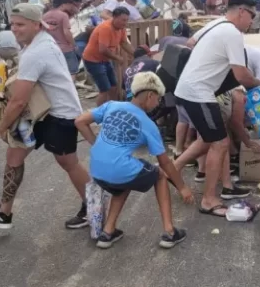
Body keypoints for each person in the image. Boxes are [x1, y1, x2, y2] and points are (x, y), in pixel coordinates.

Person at [0, 3, 91, 230]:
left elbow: (18, 100)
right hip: (40, 112)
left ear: (37, 25)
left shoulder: (36, 52)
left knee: (68, 162)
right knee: (14, 154)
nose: (15, 29)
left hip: (60, 113)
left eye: (21, 24)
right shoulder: (38, 43)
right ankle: (4, 212)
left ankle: (94, 207)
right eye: (12, 24)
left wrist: (3, 126)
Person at [76, 72, 193, 249]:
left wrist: (96, 144)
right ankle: (170, 232)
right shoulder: (148, 124)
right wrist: (182, 187)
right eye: (158, 99)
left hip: (97, 169)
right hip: (118, 170)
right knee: (160, 175)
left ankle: (107, 233)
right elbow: (165, 162)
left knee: (128, 176)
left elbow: (80, 121)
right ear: (150, 95)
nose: (158, 104)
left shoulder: (112, 105)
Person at [174, 0, 260, 216]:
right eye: (252, 16)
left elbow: (190, 42)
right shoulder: (232, 33)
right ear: (241, 12)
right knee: (220, 143)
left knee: (209, 138)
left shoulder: (216, 23)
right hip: (199, 92)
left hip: (189, 88)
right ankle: (209, 200)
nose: (252, 21)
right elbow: (241, 75)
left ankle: (172, 169)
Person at [82, 6, 134, 106]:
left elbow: (124, 43)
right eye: (123, 20)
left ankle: (113, 109)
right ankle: (99, 113)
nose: (125, 23)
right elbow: (103, 49)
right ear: (114, 17)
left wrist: (135, 54)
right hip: (93, 60)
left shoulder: (121, 28)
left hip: (105, 60)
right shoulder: (105, 28)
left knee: (113, 87)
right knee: (104, 90)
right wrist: (117, 58)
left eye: (127, 20)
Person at [43, 0, 78, 79]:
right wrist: (74, 45)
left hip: (51, 49)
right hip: (65, 49)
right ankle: (70, 86)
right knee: (72, 72)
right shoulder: (63, 15)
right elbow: (66, 32)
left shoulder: (44, 16)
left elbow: (43, 33)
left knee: (58, 74)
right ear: (63, 4)